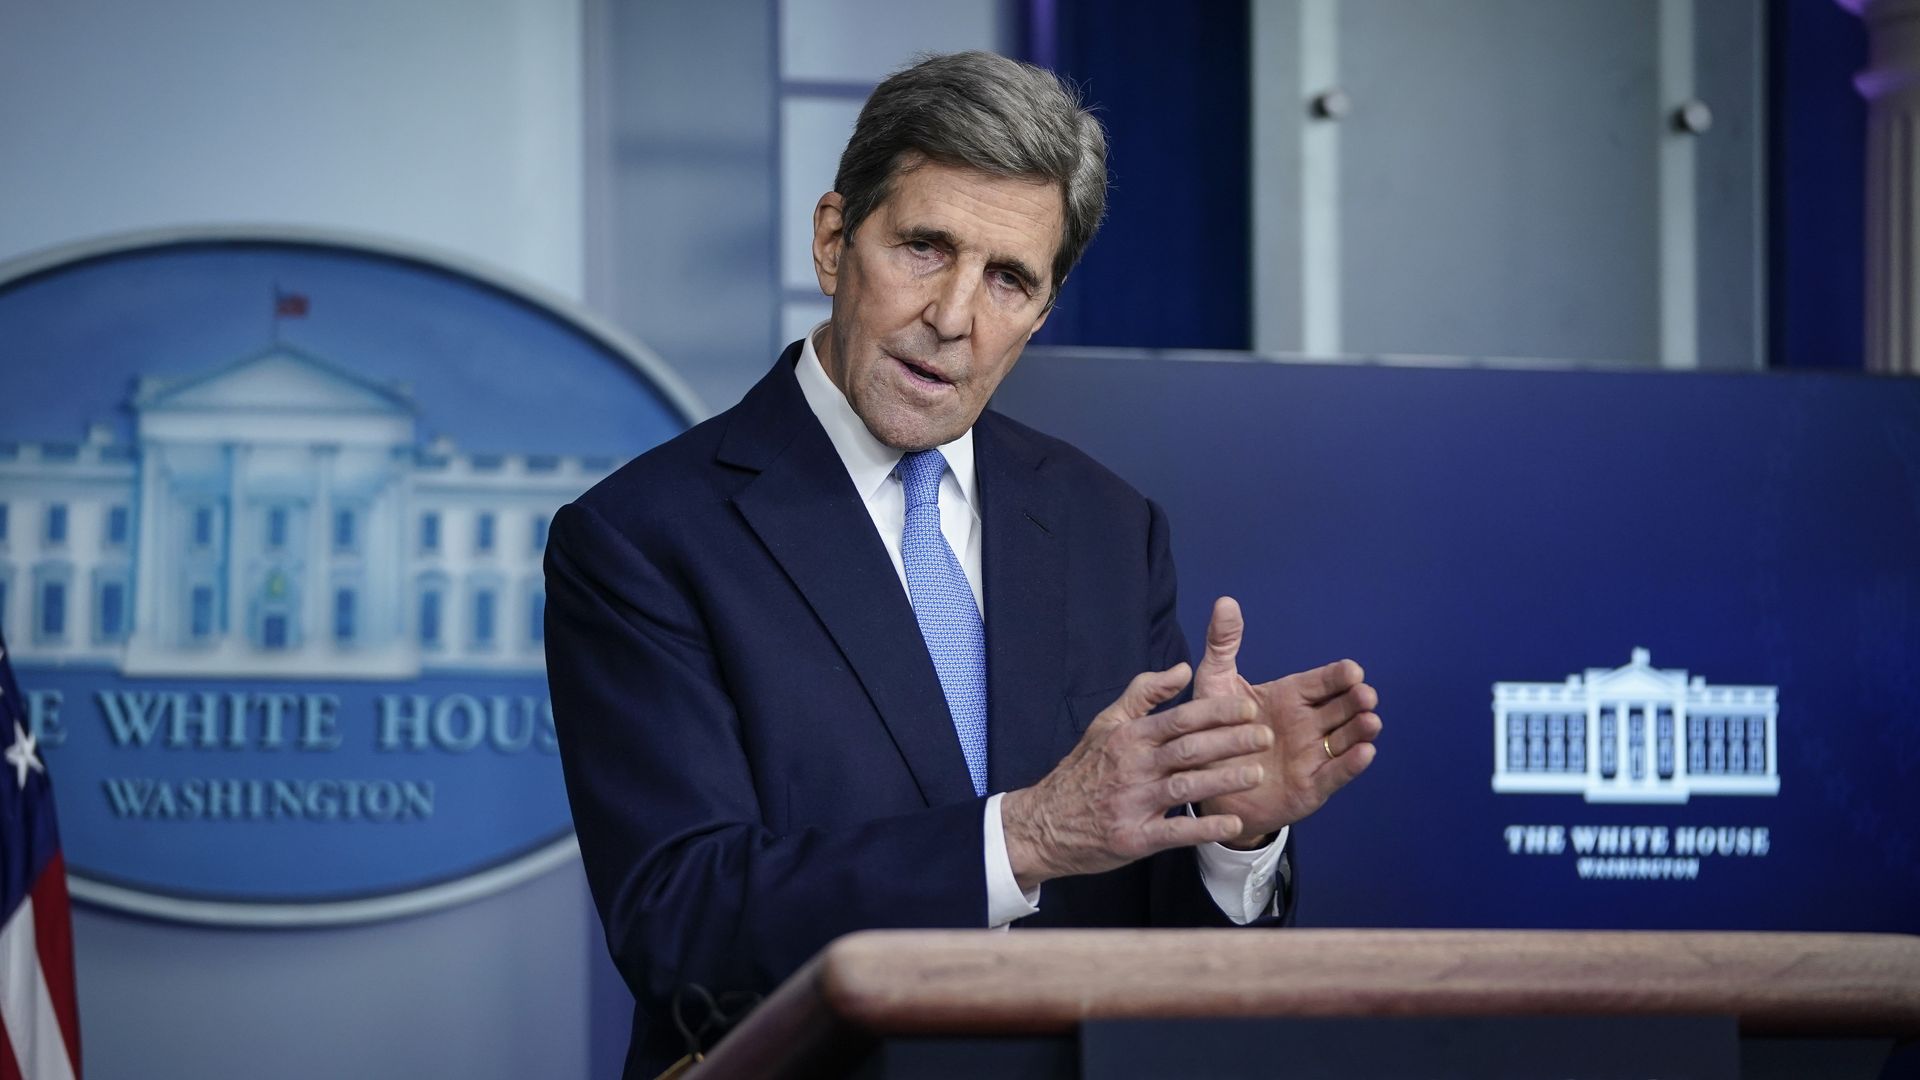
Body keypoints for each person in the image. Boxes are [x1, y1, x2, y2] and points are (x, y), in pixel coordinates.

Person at [543, 50, 1382, 1078]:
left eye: (1008, 279)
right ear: (833, 240)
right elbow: (682, 919)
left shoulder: (1109, 527)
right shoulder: (644, 535)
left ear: (1041, 308)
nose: (953, 317)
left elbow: (1158, 955)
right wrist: (1023, 836)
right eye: (925, 248)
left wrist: (1232, 838)